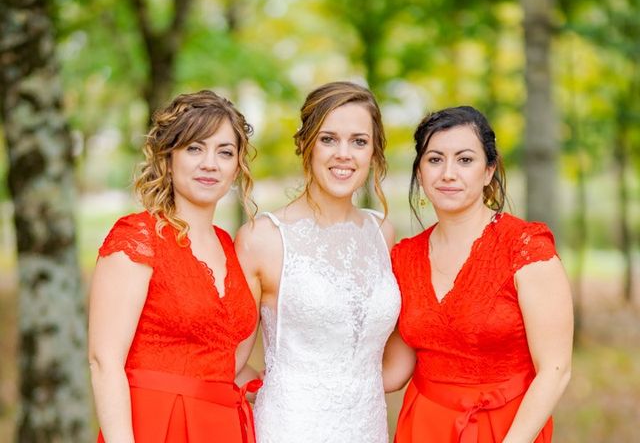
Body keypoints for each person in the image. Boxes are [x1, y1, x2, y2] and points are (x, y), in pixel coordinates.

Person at [384, 106, 573, 442]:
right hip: (424, 426)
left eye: (465, 160)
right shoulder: (404, 257)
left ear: (488, 171)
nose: (448, 173)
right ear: (420, 171)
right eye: (435, 159)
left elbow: (555, 370)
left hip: (506, 428)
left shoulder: (525, 248)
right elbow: (396, 370)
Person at [88, 90, 261, 443]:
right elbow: (104, 361)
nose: (210, 163)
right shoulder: (138, 236)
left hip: (222, 427)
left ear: (237, 166)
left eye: (225, 152)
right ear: (168, 159)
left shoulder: (229, 245)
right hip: (155, 424)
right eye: (195, 148)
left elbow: (226, 361)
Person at [235, 81, 401, 443]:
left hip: (369, 428)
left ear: (374, 151)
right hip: (291, 428)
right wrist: (275, 391)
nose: (344, 153)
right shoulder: (263, 238)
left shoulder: (382, 233)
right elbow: (228, 362)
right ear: (306, 145)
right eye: (329, 139)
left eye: (359, 141)